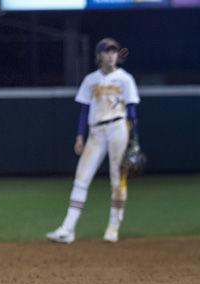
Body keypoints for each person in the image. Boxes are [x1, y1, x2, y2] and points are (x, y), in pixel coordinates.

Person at [46, 38, 140, 244]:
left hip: (118, 128)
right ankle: (67, 229)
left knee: (117, 178)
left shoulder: (125, 79)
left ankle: (113, 227)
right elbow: (84, 110)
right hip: (95, 132)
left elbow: (132, 111)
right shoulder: (90, 80)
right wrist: (80, 136)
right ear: (98, 56)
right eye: (106, 52)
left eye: (114, 51)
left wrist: (134, 140)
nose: (111, 55)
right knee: (81, 178)